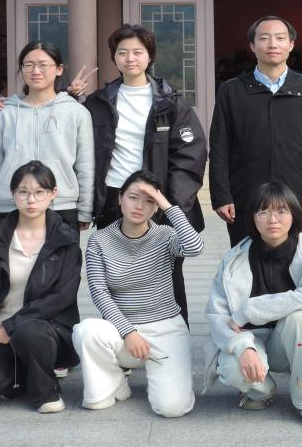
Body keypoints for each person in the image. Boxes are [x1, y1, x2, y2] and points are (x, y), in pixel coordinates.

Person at [78, 25, 207, 321]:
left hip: (158, 200)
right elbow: (75, 140)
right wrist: (69, 96)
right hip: (115, 199)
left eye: (138, 52)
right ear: (114, 57)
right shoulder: (99, 102)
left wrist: (170, 203)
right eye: (122, 52)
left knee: (168, 274)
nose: (130, 58)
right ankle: (120, 337)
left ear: (150, 56)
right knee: (115, 274)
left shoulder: (170, 102)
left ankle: (174, 335)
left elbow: (191, 154)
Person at [205, 181, 302, 430]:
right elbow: (217, 314)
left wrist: (248, 310)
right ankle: (261, 390)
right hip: (251, 339)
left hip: (295, 342)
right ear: (253, 217)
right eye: (263, 212)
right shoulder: (234, 259)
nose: (272, 219)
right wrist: (243, 347)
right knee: (232, 369)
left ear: (294, 214)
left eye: (281, 211)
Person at [73, 170, 204, 417]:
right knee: (86, 331)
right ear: (120, 197)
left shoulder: (165, 235)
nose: (139, 206)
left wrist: (167, 204)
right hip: (123, 331)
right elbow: (99, 293)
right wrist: (129, 332)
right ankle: (114, 384)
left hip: (166, 328)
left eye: (149, 201)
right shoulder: (99, 240)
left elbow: (195, 247)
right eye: (133, 197)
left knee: (172, 408)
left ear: (156, 207)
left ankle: (163, 377)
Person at [0, 161, 81, 413]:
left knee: (30, 331)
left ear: (53, 193)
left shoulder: (66, 238)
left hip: (45, 330)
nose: (31, 200)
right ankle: (23, 374)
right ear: (13, 194)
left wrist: (12, 326)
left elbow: (62, 297)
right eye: (23, 192)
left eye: (39, 192)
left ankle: (46, 392)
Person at [209, 14, 302, 246]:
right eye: (264, 38)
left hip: (297, 194)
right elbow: (219, 147)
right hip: (246, 194)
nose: (273, 44)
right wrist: (221, 196)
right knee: (246, 260)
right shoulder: (231, 91)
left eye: (280, 38)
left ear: (291, 45)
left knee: (295, 259)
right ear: (252, 46)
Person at [0, 41, 94, 232]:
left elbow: (85, 166)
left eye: (43, 65)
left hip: (61, 206)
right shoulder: (4, 114)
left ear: (59, 69)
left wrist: (85, 209)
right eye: (28, 65)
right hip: (10, 207)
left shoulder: (77, 113)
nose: (35, 71)